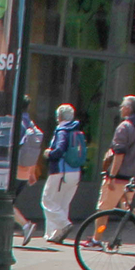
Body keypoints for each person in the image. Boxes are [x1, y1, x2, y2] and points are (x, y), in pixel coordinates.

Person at [41, 103, 85, 242]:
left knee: (47, 200)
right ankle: (56, 235)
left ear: (59, 116)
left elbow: (59, 150)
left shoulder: (62, 130)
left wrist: (49, 153)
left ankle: (63, 224)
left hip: (60, 171)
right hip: (75, 171)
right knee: (62, 204)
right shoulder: (76, 130)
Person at [100, 95, 135, 217]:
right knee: (133, 211)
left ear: (128, 108)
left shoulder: (124, 127)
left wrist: (112, 176)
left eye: (122, 106)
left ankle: (97, 236)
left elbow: (119, 154)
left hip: (119, 177)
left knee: (104, 210)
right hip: (134, 176)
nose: (120, 109)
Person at [12, 110, 45, 244]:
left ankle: (26, 225)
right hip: (24, 173)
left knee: (4, 203)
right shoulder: (31, 125)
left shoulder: (17, 122)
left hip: (14, 171)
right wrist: (31, 173)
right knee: (9, 203)